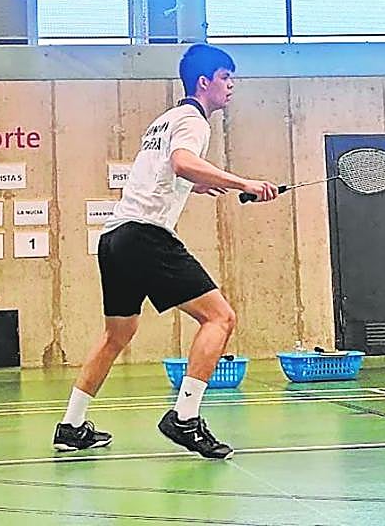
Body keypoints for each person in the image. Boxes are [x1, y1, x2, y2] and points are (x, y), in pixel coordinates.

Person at [52, 44, 280, 460]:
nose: (232, 86)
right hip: (146, 236)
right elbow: (181, 162)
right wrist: (244, 183)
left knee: (117, 334)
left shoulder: (165, 120)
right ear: (204, 82)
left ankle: (71, 425)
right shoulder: (194, 120)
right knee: (220, 318)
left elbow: (161, 172)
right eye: (226, 78)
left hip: (115, 238)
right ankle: (185, 418)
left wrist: (196, 185)